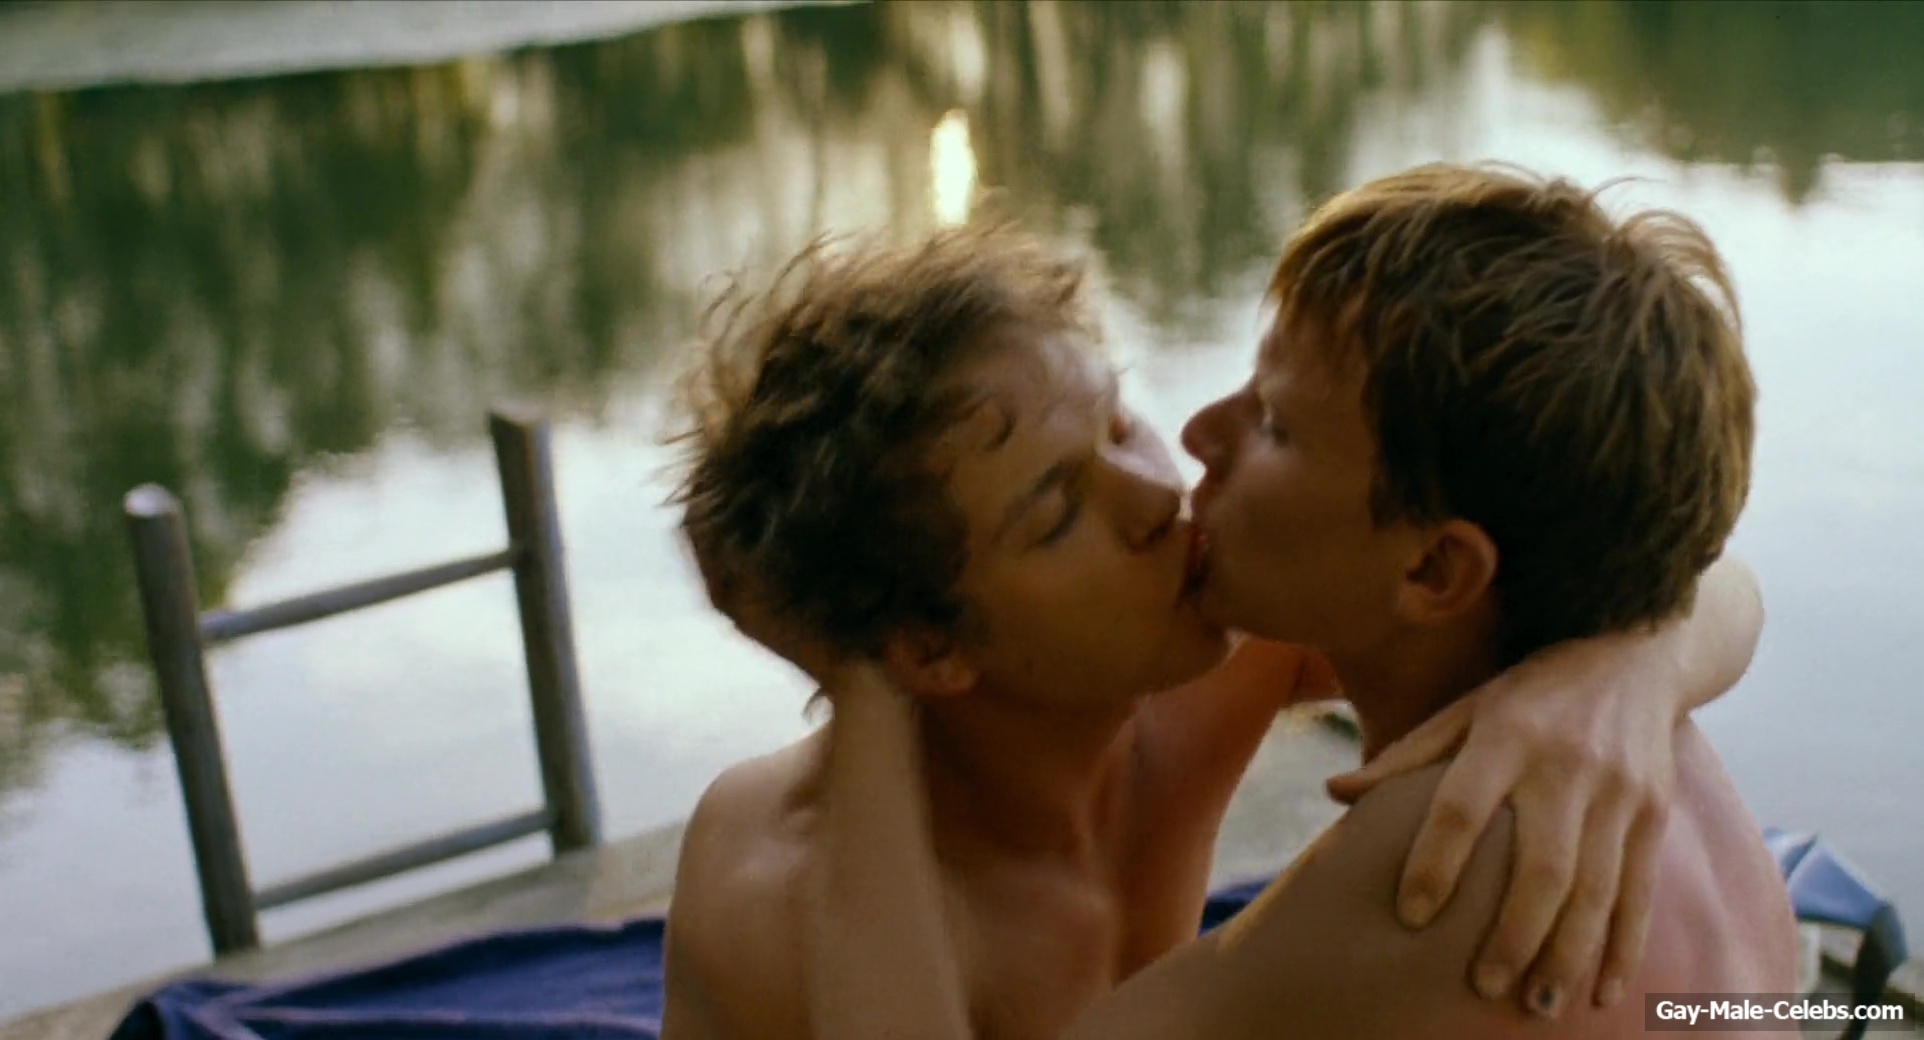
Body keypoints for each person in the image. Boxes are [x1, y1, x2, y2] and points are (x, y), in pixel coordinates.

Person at [660, 215, 1766, 1040]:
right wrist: (860, 682)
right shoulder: (799, 901)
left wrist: (1625, 671)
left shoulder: (1206, 662)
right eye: (1056, 514)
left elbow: (1631, 555)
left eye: (1118, 422)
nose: (1160, 490)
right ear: (925, 646)